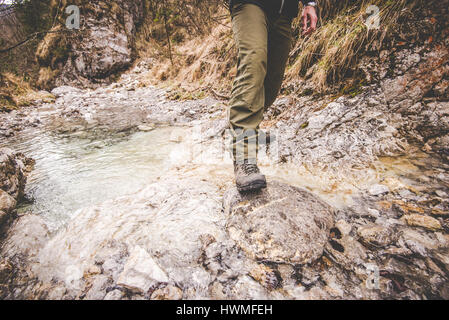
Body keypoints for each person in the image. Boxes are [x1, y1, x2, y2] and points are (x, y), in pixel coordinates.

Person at [226, 0, 318, 193]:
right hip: (250, 4)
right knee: (253, 63)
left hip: (284, 11)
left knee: (272, 82)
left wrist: (310, 3)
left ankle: (245, 128)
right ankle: (245, 159)